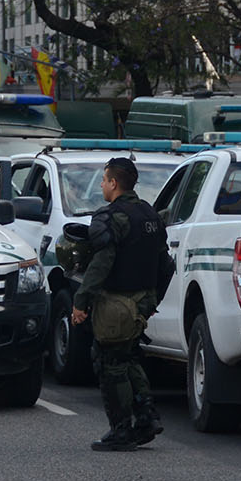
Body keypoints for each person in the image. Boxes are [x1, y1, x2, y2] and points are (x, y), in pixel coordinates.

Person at [67, 157, 175, 452]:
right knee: (128, 357)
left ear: (114, 183)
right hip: (142, 301)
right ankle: (146, 418)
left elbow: (101, 263)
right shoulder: (151, 215)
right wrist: (153, 301)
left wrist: (81, 302)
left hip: (117, 302)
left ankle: (121, 430)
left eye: (103, 180)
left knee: (109, 362)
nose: (101, 185)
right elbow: (166, 263)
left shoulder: (111, 217)